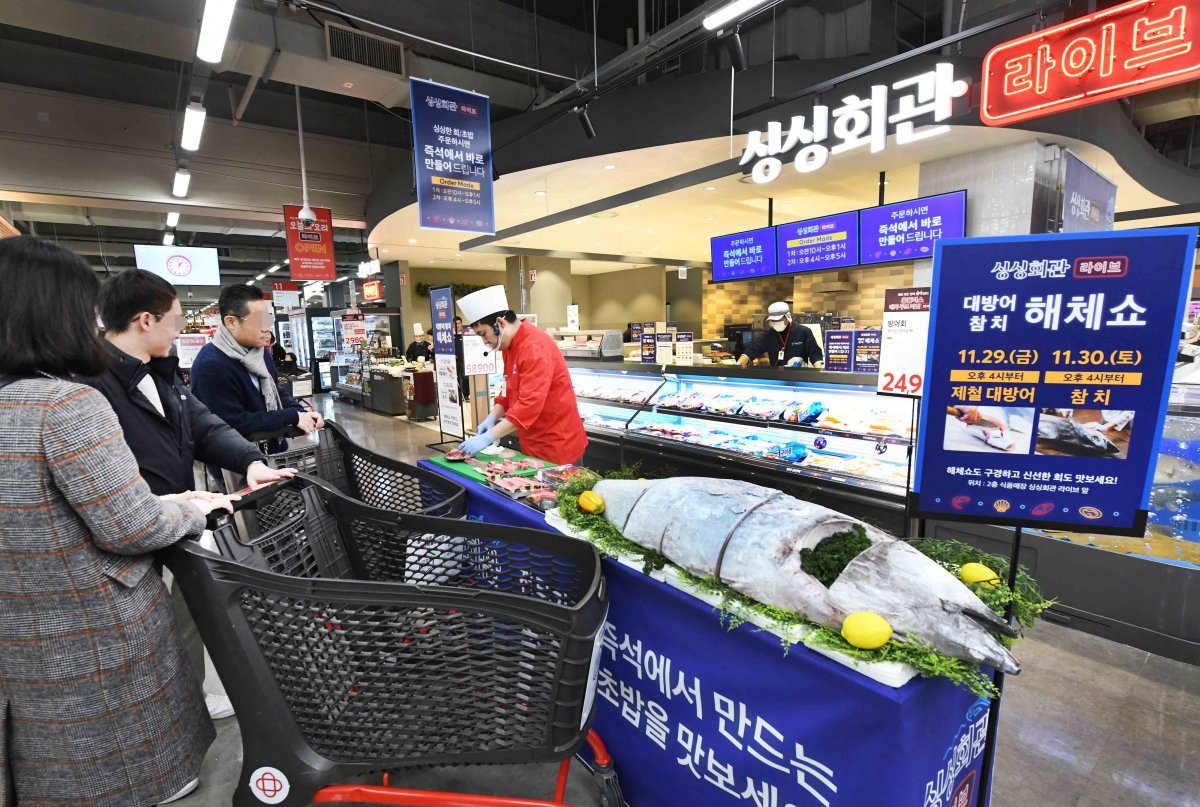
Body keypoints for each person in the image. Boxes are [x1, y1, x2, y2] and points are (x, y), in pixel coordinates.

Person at [0, 236, 237, 806]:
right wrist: (189, 507)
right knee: (136, 774)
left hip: (25, 629)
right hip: (98, 632)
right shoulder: (66, 404)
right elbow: (129, 523)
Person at [90, 269, 297, 721]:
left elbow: (203, 425)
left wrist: (250, 461)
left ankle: (195, 695)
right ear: (146, 319)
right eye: (178, 318)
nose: (183, 328)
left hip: (180, 516)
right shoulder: (92, 384)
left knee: (191, 610)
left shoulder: (160, 373)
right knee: (158, 629)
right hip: (139, 527)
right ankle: (177, 710)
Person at [455, 285, 588, 465]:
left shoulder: (534, 346)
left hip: (558, 443)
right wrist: (492, 416)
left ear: (499, 323)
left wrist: (487, 438)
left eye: (483, 334)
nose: (484, 341)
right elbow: (507, 390)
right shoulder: (508, 346)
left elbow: (529, 406)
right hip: (532, 441)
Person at [190, 284, 323, 453]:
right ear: (231, 322)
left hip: (273, 451)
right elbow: (232, 423)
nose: (266, 327)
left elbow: (275, 389)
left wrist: (301, 411)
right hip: (237, 465)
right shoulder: (210, 366)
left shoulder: (259, 352)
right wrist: (291, 416)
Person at [738, 302, 824, 368]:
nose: (775, 323)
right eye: (773, 320)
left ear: (787, 317)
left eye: (778, 320)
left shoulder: (803, 332)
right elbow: (753, 350)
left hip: (799, 377)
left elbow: (815, 354)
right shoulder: (769, 334)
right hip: (777, 377)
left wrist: (818, 372)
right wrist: (738, 364)